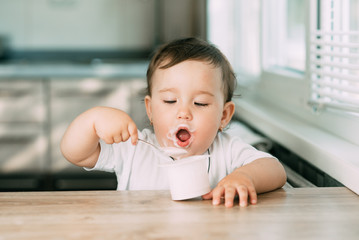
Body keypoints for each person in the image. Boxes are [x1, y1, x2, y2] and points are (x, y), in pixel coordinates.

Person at [61, 37, 286, 208]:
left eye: (200, 103)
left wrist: (244, 177)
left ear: (224, 116)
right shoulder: (134, 147)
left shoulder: (227, 150)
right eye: (170, 101)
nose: (183, 113)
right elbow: (75, 153)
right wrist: (92, 119)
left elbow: (275, 170)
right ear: (150, 109)